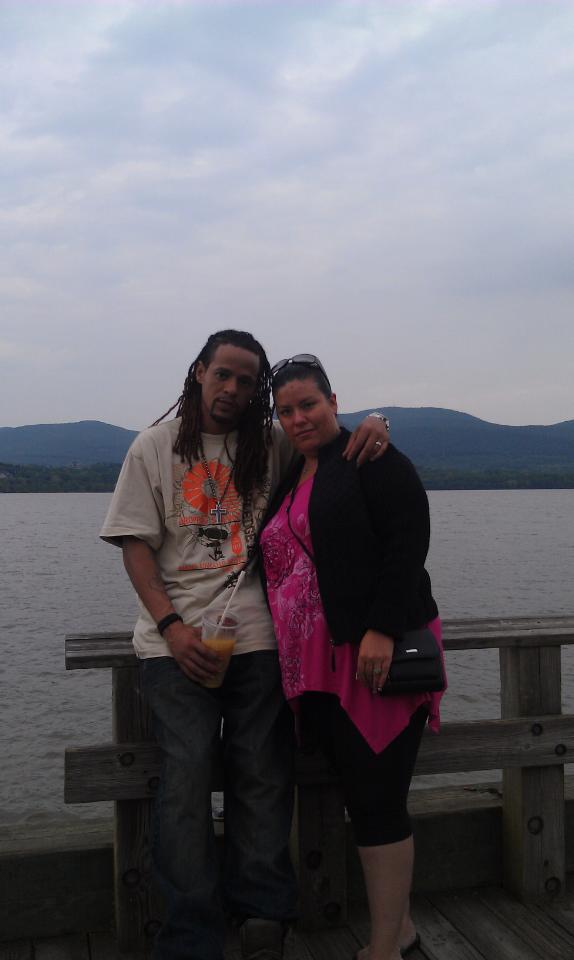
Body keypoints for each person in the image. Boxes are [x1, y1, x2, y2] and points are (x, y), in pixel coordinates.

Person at [100, 331, 390, 960]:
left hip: (259, 639)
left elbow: (328, 435)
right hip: (174, 644)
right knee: (186, 775)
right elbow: (135, 545)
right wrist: (171, 627)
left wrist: (378, 422)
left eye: (246, 381)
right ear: (199, 372)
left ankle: (263, 916)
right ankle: (190, 932)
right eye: (222, 375)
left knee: (263, 771)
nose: (232, 389)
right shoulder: (153, 448)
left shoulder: (273, 443)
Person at [259, 356, 446, 960]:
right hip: (319, 666)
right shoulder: (295, 470)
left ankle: (385, 947)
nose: (298, 418)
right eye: (286, 411)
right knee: (358, 793)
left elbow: (408, 539)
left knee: (377, 801)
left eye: (308, 405)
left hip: (370, 657)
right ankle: (402, 927)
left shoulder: (370, 455)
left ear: (333, 402)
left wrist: (382, 629)